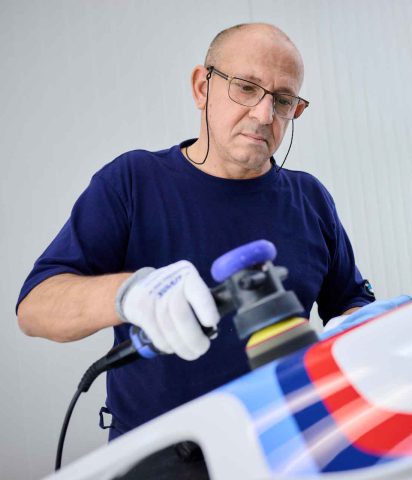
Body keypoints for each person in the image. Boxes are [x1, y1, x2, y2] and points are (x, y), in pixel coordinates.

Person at [16, 23, 376, 440]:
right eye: (246, 87)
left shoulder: (310, 198)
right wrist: (130, 294)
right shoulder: (133, 181)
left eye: (282, 100)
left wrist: (360, 325)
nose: (264, 115)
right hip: (162, 455)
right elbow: (35, 307)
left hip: (289, 441)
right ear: (201, 87)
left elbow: (349, 301)